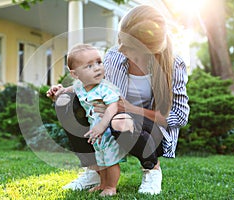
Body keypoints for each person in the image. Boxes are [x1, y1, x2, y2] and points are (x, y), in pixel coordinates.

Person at [53, 5, 190, 195]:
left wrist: (130, 108)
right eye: (121, 40)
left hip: (149, 132)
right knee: (66, 101)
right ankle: (95, 171)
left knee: (121, 120)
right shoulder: (114, 55)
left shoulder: (174, 65)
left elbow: (179, 116)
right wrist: (66, 91)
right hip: (110, 121)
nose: (121, 48)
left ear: (148, 48)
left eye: (129, 45)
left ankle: (152, 170)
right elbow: (94, 86)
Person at [47, 44, 127, 196]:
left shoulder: (105, 88)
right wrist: (58, 91)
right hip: (95, 133)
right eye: (89, 66)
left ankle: (111, 187)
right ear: (75, 74)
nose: (97, 68)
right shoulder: (80, 86)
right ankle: (102, 184)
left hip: (108, 132)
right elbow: (68, 90)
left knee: (111, 161)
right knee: (101, 160)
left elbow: (113, 107)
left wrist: (102, 126)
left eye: (98, 62)